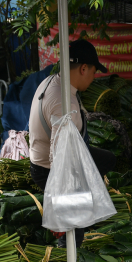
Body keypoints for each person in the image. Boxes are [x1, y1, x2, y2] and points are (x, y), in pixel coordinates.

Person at [28, 37, 116, 199]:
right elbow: (57, 156)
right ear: (83, 69)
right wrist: (62, 198)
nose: (93, 78)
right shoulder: (64, 104)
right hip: (47, 170)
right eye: (93, 72)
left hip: (44, 159)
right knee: (82, 216)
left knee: (107, 159)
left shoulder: (53, 81)